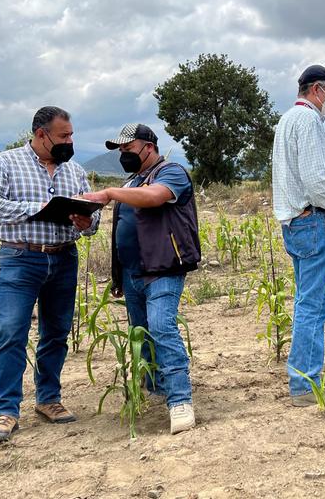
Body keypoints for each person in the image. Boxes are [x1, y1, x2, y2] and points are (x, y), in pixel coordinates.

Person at [0, 106, 100, 442]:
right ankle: (5, 410)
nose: (70, 140)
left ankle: (48, 400)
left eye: (72, 134)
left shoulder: (74, 171)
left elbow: (93, 221)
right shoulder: (6, 163)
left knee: (57, 332)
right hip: (21, 257)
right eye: (64, 135)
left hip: (64, 258)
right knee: (11, 331)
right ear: (41, 134)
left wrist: (87, 222)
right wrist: (40, 210)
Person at [81, 123, 201, 433]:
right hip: (133, 272)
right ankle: (157, 389)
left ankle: (180, 401)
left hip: (162, 269)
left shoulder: (172, 172)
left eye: (128, 148)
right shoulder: (134, 180)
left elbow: (155, 198)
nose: (123, 154)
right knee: (142, 334)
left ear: (148, 146)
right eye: (120, 150)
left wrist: (108, 193)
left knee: (161, 327)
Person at [272, 64, 325, 406]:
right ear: (317, 89)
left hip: (295, 223)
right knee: (313, 303)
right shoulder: (308, 121)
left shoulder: (287, 121)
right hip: (315, 221)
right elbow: (317, 179)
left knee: (311, 300)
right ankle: (303, 382)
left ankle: (308, 371)